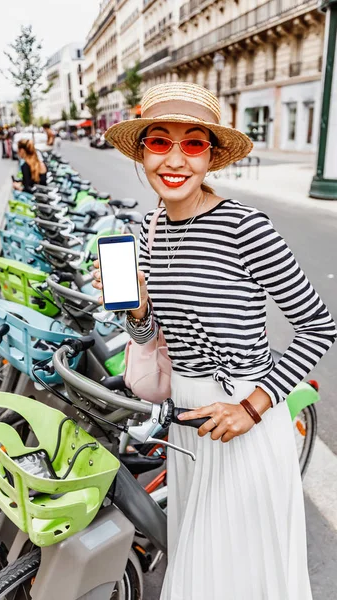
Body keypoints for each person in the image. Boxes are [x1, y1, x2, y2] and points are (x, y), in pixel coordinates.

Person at [92, 82, 337, 600]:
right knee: (200, 556)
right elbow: (150, 336)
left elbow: (318, 324)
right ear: (142, 153)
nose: (175, 159)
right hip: (187, 421)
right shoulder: (148, 228)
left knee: (240, 571)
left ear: (211, 156)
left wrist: (251, 407)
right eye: (160, 143)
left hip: (245, 422)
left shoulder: (246, 228)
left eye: (193, 144)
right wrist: (137, 309)